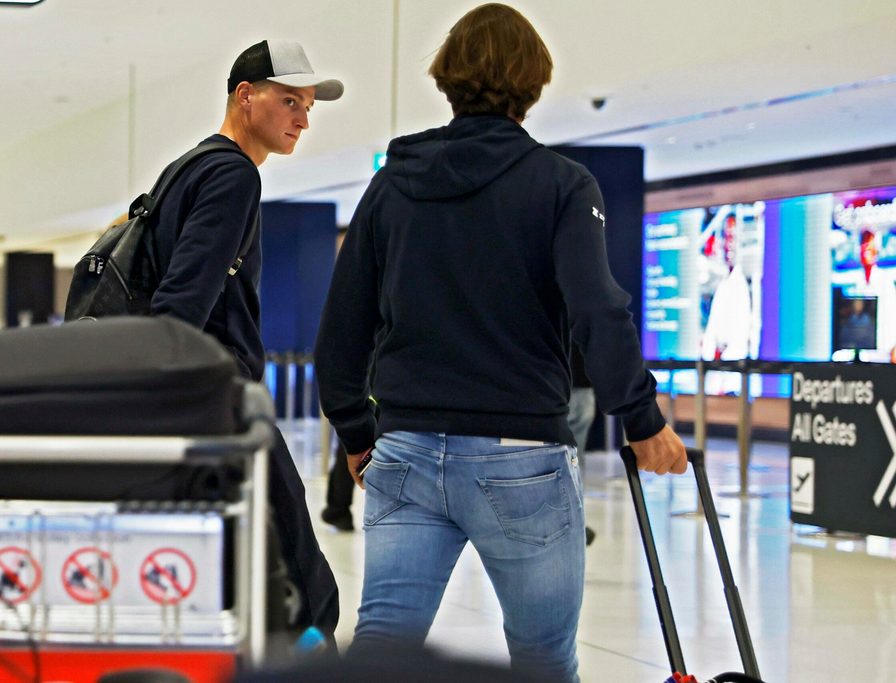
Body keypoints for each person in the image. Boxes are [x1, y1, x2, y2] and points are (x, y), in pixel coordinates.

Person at [313, 5, 686, 681]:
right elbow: (598, 311)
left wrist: (356, 429)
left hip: (407, 448)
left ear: (448, 75)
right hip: (522, 459)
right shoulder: (561, 185)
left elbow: (343, 323)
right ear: (534, 80)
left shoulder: (393, 184)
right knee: (543, 661)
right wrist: (642, 418)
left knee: (380, 655)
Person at [147, 40, 344, 640]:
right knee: (300, 575)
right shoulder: (232, 175)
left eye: (308, 106)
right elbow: (180, 304)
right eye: (289, 101)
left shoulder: (188, 167)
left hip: (198, 400)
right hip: (219, 401)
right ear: (244, 96)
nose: (302, 120)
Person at [566, 343, 597, 546]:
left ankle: (573, 522)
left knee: (573, 459)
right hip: (573, 382)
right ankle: (573, 522)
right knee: (572, 459)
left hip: (573, 382)